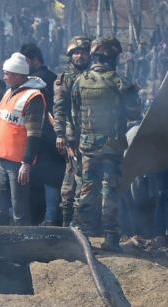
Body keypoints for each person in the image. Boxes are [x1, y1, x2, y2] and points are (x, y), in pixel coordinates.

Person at [69, 36, 140, 251]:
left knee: (87, 189)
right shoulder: (120, 82)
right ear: (112, 57)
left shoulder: (79, 81)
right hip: (112, 147)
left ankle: (81, 237)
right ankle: (110, 238)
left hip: (87, 146)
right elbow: (134, 113)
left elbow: (75, 116)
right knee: (110, 190)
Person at [0, 52, 47, 226]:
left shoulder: (33, 98)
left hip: (18, 163)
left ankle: (23, 240)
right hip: (2, 159)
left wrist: (27, 162)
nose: (4, 77)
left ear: (18, 75)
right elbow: (0, 125)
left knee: (19, 208)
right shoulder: (9, 93)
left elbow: (34, 134)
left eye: (7, 74)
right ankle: (0, 238)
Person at [20, 42, 63, 226]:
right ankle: (50, 216)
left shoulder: (35, 82)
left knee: (44, 178)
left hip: (41, 136)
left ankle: (46, 217)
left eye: (25, 61)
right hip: (52, 135)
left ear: (35, 61)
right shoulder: (53, 77)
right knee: (50, 178)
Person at [53, 36, 92, 226]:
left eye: (83, 52)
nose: (79, 56)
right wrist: (60, 134)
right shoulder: (65, 79)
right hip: (72, 137)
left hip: (92, 136)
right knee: (75, 178)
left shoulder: (93, 77)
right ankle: (70, 220)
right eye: (76, 53)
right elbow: (59, 107)